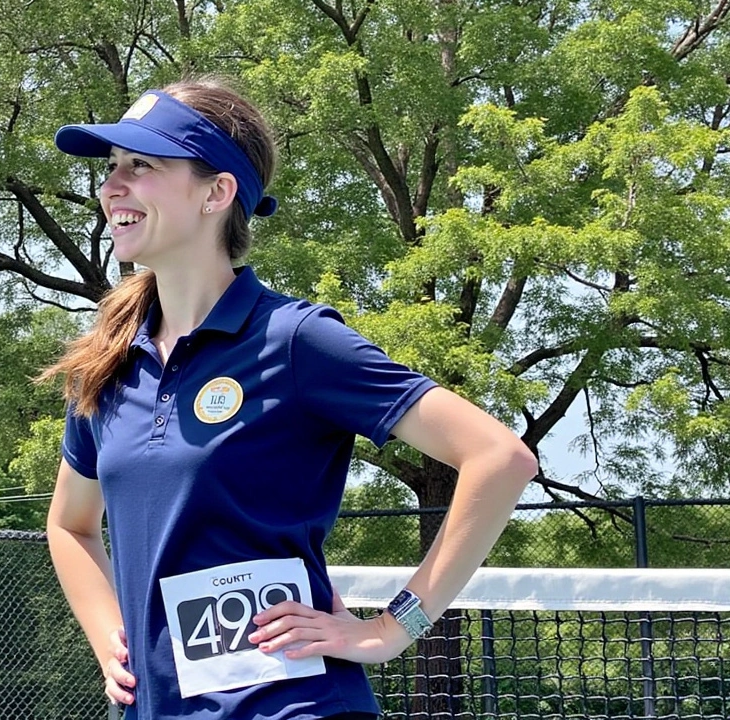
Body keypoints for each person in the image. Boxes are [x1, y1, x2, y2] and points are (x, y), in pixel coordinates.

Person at [40, 76, 538, 720]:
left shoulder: (296, 339)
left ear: (217, 192)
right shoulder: (104, 365)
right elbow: (70, 525)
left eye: (143, 166)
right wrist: (111, 638)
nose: (112, 186)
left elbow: (500, 458)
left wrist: (392, 629)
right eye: (112, 168)